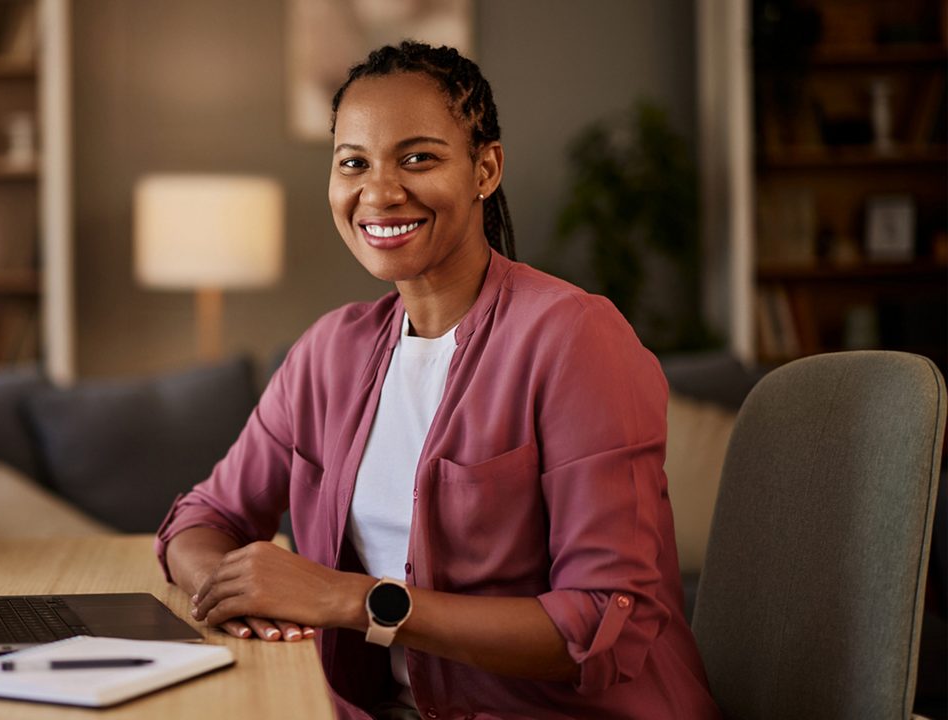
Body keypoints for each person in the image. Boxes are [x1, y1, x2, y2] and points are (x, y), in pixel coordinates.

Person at [155, 41, 722, 720]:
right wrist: (233, 599)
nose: (380, 192)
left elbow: (604, 621)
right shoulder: (328, 353)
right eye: (353, 163)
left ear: (485, 168)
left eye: (418, 158)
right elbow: (202, 519)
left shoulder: (575, 340)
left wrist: (351, 599)